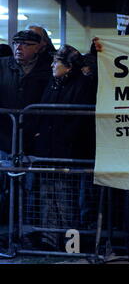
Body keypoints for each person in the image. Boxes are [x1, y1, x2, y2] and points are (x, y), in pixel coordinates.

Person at [32, 45, 96, 250]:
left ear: (68, 67)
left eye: (56, 62)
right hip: (49, 150)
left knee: (66, 200)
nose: (52, 65)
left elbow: (78, 122)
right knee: (48, 197)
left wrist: (63, 139)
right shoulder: (53, 83)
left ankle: (71, 245)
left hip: (67, 151)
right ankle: (50, 241)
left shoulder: (82, 85)